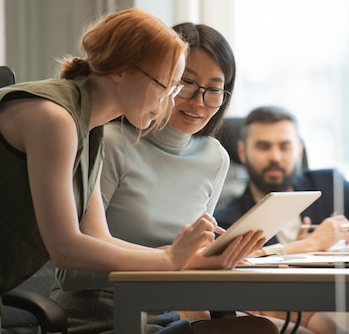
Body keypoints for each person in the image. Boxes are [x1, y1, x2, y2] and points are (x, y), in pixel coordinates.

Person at [0, 9, 265, 334]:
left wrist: (184, 259)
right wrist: (170, 258)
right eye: (167, 85)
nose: (172, 100)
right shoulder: (55, 119)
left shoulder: (89, 129)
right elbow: (66, 249)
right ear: (120, 70)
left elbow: (98, 239)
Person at [50, 22, 277, 334]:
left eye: (213, 90)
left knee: (264, 327)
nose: (199, 102)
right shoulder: (108, 142)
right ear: (164, 81)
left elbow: (187, 261)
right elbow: (71, 273)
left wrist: (212, 258)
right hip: (98, 315)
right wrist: (175, 259)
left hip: (165, 316)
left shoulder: (215, 157)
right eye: (187, 84)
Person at [214, 105, 349, 334]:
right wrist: (300, 248)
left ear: (300, 151)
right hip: (307, 311)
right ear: (243, 152)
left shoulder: (327, 184)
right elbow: (238, 283)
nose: (275, 156)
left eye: (285, 146)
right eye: (263, 147)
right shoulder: (228, 221)